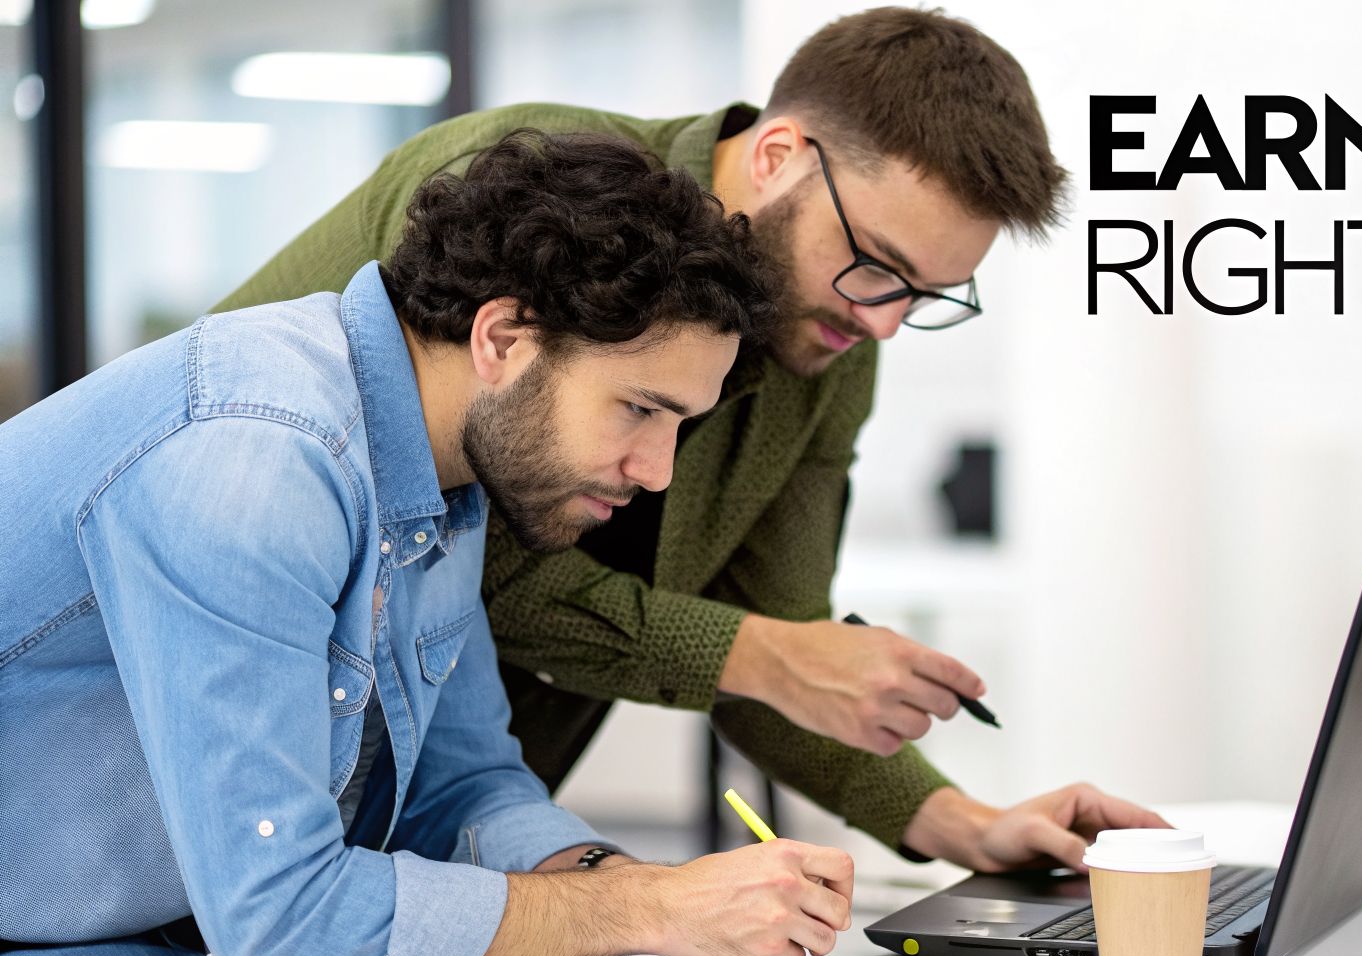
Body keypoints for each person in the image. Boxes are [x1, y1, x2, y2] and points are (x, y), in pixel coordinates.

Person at [217, 7, 1170, 875]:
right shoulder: (520, 188)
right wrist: (760, 655)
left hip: (442, 815)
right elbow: (439, 558)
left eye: (925, 296)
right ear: (779, 153)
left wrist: (960, 821)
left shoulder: (831, 338)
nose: (885, 325)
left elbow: (778, 636)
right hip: (215, 758)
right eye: (879, 267)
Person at [0, 130, 858, 956]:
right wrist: (643, 910)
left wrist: (643, 888)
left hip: (139, 947)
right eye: (640, 408)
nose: (658, 471)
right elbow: (285, 923)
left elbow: (464, 788)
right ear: (504, 336)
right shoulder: (258, 460)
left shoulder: (448, 472)